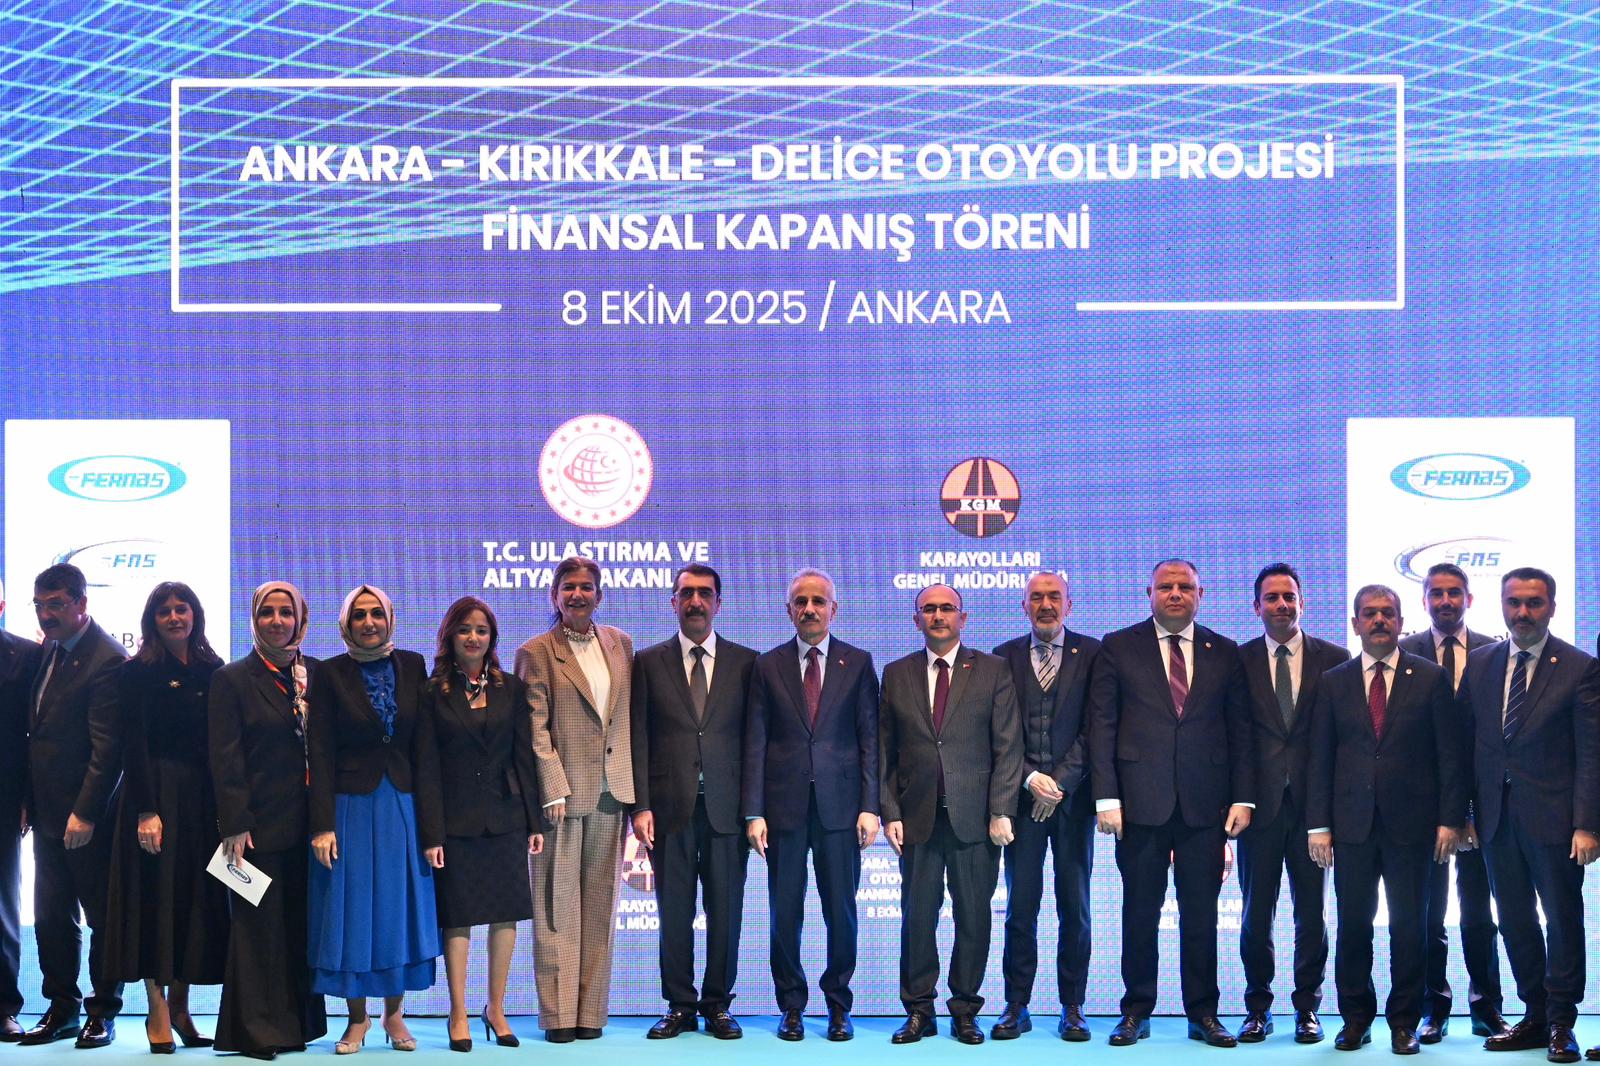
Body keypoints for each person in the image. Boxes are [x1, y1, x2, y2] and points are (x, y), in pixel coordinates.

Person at [1087, 558, 1253, 1048]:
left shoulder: (1225, 651)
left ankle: (1203, 1013)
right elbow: (1102, 726)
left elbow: (1240, 732)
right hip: (1139, 805)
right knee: (1140, 913)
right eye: (1166, 586)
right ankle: (1135, 1011)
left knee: (1201, 916)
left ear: (1201, 594)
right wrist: (1106, 797)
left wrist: (1242, 797)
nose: (1175, 594)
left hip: (1206, 807)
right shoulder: (1119, 646)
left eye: (1185, 587)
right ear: (1150, 594)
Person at [1306, 583, 1466, 1055]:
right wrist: (1319, 825)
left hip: (1414, 827)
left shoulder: (1431, 677)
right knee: (1353, 926)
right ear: (1355, 623)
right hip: (1351, 826)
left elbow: (1450, 755)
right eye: (1369, 613)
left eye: (1387, 613)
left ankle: (1403, 1023)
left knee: (1409, 927)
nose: (1379, 620)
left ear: (1400, 621)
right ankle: (1355, 1019)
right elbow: (1320, 758)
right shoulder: (1333, 681)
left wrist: (1450, 820)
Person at [1456, 569, 1596, 1064]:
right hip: (1494, 820)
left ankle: (1562, 1022)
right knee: (1514, 921)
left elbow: (1591, 752)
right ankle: (1535, 1015)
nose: (1522, 612)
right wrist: (1463, 813)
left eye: (1533, 603)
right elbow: (1465, 746)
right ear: (1501, 605)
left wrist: (1587, 823)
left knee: (1562, 920)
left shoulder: (1579, 667)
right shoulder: (1480, 663)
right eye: (1514, 602)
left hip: (1557, 822)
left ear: (1551, 607)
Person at [879, 584, 1022, 1045]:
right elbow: (885, 751)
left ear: (964, 617)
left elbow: (1008, 747)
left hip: (976, 819)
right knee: (917, 919)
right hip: (916, 818)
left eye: (947, 608)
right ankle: (919, 1011)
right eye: (929, 609)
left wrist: (1001, 810)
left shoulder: (993, 669)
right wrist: (889, 811)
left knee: (973, 918)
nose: (938, 615)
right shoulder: (896, 673)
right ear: (915, 619)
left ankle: (965, 1011)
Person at [742, 568, 879, 1042]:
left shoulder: (857, 662)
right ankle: (792, 1006)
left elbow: (870, 740)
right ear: (789, 611)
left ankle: (839, 1005)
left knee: (841, 912)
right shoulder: (767, 665)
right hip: (783, 810)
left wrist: (870, 806)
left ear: (833, 609)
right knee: (785, 912)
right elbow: (755, 742)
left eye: (818, 601)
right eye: (801, 601)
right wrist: (754, 811)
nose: (809, 609)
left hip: (842, 810)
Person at [307, 585, 443, 1054]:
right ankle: (357, 1019)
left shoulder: (413, 665)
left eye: (376, 614)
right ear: (346, 624)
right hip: (350, 807)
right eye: (359, 615)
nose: (369, 623)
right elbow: (320, 751)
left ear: (390, 619)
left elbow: (424, 749)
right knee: (354, 911)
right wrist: (322, 824)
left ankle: (394, 1015)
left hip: (402, 804)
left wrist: (432, 830)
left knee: (396, 910)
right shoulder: (329, 673)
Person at [630, 565, 756, 1040]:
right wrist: (640, 805)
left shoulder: (747, 663)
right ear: (674, 602)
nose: (696, 602)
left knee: (726, 912)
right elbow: (638, 737)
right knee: (674, 912)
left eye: (705, 594)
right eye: (687, 593)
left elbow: (755, 743)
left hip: (728, 810)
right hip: (669, 809)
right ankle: (680, 1005)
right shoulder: (648, 662)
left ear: (719, 603)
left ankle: (717, 1004)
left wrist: (754, 809)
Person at [102, 582, 230, 1053]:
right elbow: (132, 745)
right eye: (165, 611)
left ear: (195, 615)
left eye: (182, 609)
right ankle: (156, 1008)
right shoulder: (136, 672)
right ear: (151, 620)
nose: (175, 617)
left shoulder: (213, 669)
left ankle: (180, 1007)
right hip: (154, 798)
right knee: (155, 900)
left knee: (192, 900)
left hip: (201, 802)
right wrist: (147, 811)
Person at [515, 556, 635, 1043]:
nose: (578, 595)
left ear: (599, 595)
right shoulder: (536, 651)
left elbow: (624, 718)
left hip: (612, 792)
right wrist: (552, 788)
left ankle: (590, 1014)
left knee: (600, 910)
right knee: (555, 909)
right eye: (569, 587)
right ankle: (559, 1016)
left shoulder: (621, 643)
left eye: (586, 587)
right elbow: (534, 728)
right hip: (560, 799)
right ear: (555, 595)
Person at [209, 581, 327, 1060]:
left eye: (285, 612)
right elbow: (225, 757)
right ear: (254, 619)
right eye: (267, 613)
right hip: (254, 830)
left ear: (301, 619)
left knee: (298, 928)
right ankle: (255, 1032)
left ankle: (295, 1026)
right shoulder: (232, 679)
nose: (277, 621)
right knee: (256, 931)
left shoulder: (317, 675)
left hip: (310, 829)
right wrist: (234, 823)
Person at [1233, 564, 1348, 1045]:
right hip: (1256, 810)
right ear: (1256, 606)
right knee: (1255, 915)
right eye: (1272, 597)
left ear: (1302, 602)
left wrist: (1330, 814)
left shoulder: (1336, 659)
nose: (1282, 604)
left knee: (1312, 915)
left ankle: (1308, 1008)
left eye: (1289, 596)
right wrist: (1237, 800)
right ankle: (1257, 1008)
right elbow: (1233, 738)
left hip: (1313, 812)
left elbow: (1342, 742)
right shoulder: (1238, 660)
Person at [424, 596, 542, 1053]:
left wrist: (533, 820)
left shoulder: (510, 687)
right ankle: (458, 1011)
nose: (473, 637)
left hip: (505, 817)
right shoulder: (432, 691)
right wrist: (432, 832)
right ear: (450, 636)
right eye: (464, 629)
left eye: (482, 630)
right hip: (455, 822)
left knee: (505, 913)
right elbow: (427, 769)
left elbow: (523, 756)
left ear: (492, 638)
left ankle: (496, 1007)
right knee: (458, 918)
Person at [1398, 561, 1507, 1042]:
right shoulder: (1403, 652)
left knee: (1480, 914)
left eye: (1454, 592)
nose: (1445, 600)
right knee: (1429, 913)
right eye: (1437, 593)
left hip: (1485, 802)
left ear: (1469, 598)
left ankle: (1487, 1008)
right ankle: (1433, 1009)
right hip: (1424, 804)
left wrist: (1471, 808)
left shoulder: (1495, 651)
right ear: (1424, 600)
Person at [20, 563, 127, 1048]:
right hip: (46, 815)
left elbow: (109, 750)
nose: (46, 614)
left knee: (102, 916)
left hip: (90, 819)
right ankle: (61, 1008)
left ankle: (103, 1012)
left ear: (82, 603)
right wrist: (28, 800)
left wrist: (85, 813)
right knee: (50, 917)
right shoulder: (50, 650)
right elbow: (38, 737)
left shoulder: (108, 659)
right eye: (40, 605)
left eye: (56, 604)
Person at [990, 571, 1099, 1042]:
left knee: (1075, 907)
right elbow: (999, 732)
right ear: (1024, 606)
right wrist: (1032, 779)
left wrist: (1058, 784)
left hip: (1072, 805)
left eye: (1054, 597)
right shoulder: (1002, 657)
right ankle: (1016, 1005)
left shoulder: (1093, 654)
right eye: (1036, 597)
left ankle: (1073, 1006)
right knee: (1020, 907)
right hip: (1020, 801)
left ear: (1069, 605)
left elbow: (1097, 728)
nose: (1046, 605)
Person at [0, 579, 41, 1042]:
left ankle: (4, 1007)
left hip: (5, 796)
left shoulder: (25, 656)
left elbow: (38, 733)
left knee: (2, 906)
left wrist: (29, 795)